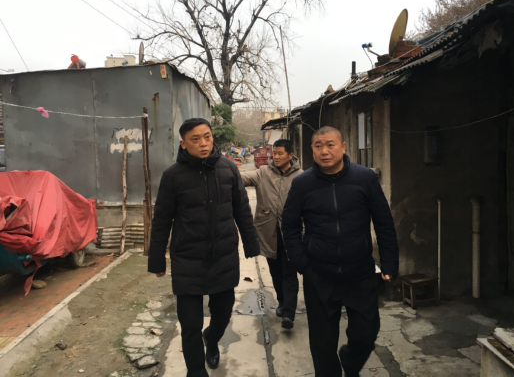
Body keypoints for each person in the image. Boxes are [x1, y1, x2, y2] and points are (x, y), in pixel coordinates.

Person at [282, 126, 399, 377]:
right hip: (319, 274)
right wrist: (303, 264)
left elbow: (383, 222)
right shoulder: (302, 183)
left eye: (330, 145)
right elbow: (289, 226)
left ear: (343, 147)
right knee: (322, 343)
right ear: (312, 150)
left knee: (366, 333)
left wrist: (389, 262)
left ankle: (350, 361)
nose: (325, 151)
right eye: (318, 146)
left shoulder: (364, 178)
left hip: (360, 272)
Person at [148, 118, 259, 377]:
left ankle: (212, 338)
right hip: (188, 260)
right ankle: (196, 371)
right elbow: (162, 220)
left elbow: (242, 210)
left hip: (223, 257)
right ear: (183, 144)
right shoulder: (173, 176)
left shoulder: (228, 169)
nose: (203, 143)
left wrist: (251, 245)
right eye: (195, 139)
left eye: (207, 137)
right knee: (190, 326)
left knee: (222, 314)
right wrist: (157, 260)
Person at [241, 139, 303, 329]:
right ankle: (282, 302)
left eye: (280, 153)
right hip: (268, 232)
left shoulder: (301, 177)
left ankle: (289, 313)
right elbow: (241, 178)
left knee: (289, 272)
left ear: (290, 155)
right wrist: (223, 171)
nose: (276, 157)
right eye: (274, 153)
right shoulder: (263, 173)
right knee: (275, 271)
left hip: (291, 233)